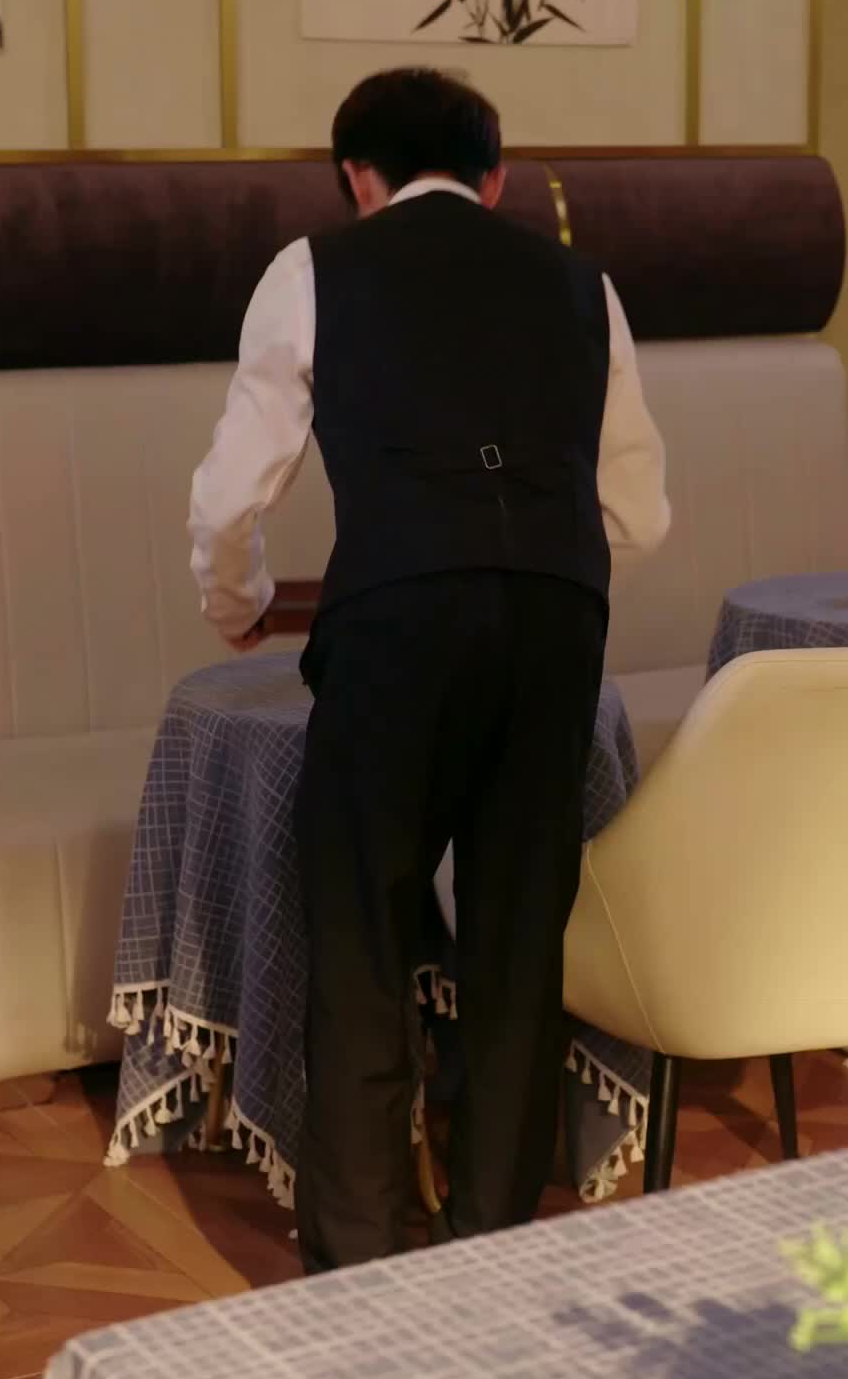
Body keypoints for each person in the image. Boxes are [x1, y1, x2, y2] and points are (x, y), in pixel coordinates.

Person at [189, 69, 669, 1272]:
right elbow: (640, 514)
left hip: (396, 627)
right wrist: (533, 564)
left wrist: (239, 607)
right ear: (494, 177)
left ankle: (357, 1263)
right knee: (519, 942)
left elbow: (230, 498)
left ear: (358, 176)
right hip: (556, 623)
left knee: (360, 941)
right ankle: (489, 1245)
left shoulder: (311, 272)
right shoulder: (583, 285)